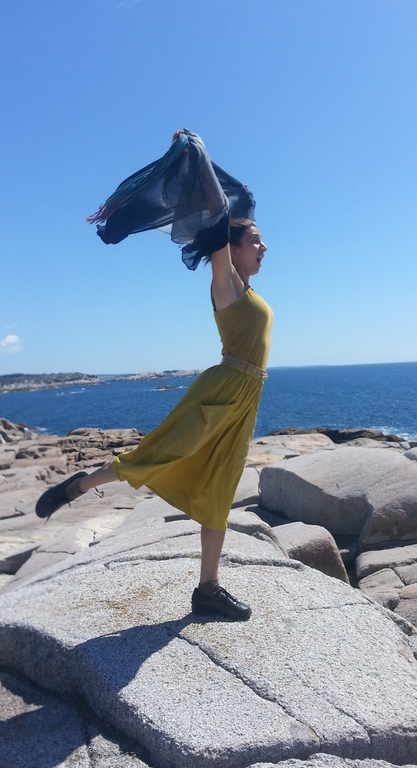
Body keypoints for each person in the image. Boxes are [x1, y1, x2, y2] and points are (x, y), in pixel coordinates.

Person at [36, 133, 272, 621]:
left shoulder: (247, 290)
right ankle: (79, 486)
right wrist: (200, 158)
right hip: (221, 391)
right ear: (230, 247)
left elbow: (235, 210)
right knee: (157, 455)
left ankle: (208, 590)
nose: (264, 246)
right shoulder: (225, 284)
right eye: (255, 240)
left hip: (246, 399)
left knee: (220, 491)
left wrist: (242, 195)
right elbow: (217, 213)